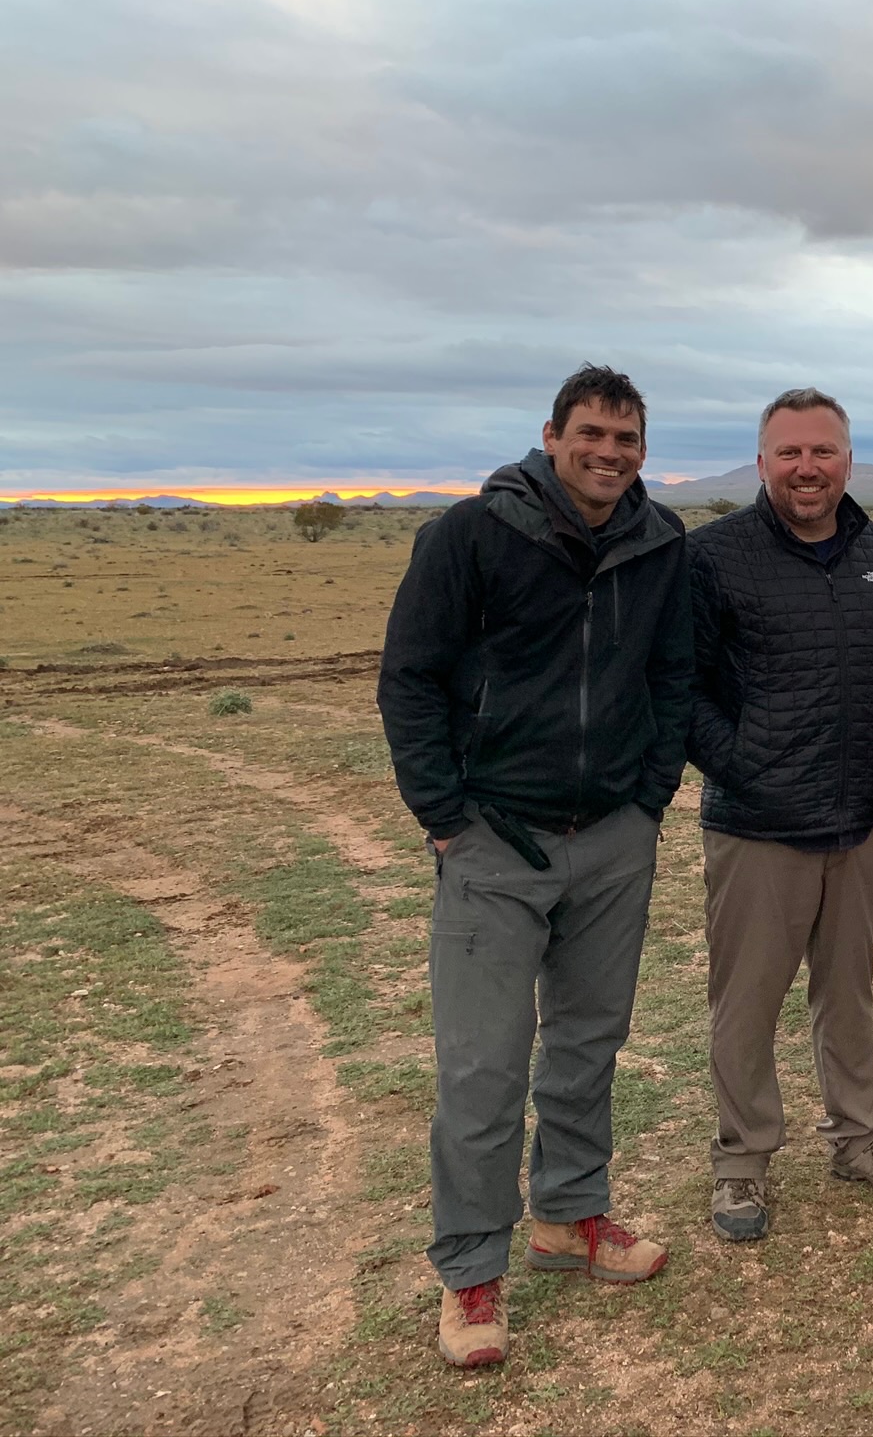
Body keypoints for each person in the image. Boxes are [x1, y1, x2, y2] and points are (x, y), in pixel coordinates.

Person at [378, 363, 692, 1368]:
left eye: (626, 439)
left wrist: (647, 799)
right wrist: (443, 818)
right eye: (591, 435)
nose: (608, 454)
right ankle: (472, 1275)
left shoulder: (658, 544)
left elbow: (672, 675)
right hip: (494, 843)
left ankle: (571, 1216)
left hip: (610, 837)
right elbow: (411, 677)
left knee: (589, 1042)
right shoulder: (469, 537)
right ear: (551, 437)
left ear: (643, 451)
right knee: (481, 1067)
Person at [687, 387, 873, 1244]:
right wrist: (744, 765)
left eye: (822, 451)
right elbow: (684, 688)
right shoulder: (714, 556)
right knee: (746, 1003)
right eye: (788, 452)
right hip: (758, 828)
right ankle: (741, 1165)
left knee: (849, 992)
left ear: (848, 461)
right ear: (761, 463)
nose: (806, 468)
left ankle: (859, 1138)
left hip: (860, 822)